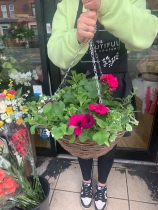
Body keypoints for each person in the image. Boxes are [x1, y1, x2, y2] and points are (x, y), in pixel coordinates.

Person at [47, 0, 158, 209]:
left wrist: (107, 5)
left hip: (113, 86)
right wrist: (76, 37)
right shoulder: (67, 5)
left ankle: (102, 184)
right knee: (82, 141)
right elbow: (55, 53)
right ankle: (87, 182)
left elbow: (145, 35)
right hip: (80, 88)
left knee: (107, 143)